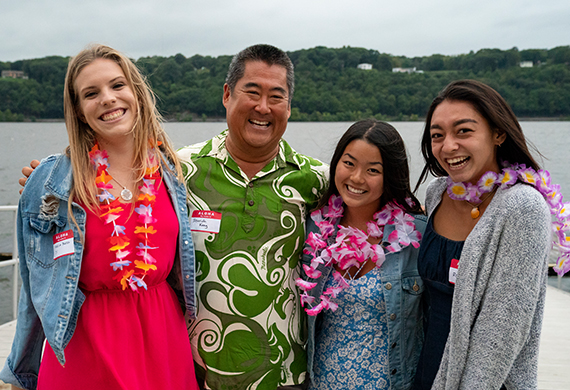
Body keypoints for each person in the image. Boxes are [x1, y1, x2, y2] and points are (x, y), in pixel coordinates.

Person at [1, 44, 199, 390]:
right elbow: (34, 288)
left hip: (164, 342)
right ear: (78, 110)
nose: (108, 98)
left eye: (117, 85)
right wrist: (22, 366)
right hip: (85, 349)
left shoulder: (171, 171)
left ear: (135, 93)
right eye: (91, 93)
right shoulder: (52, 183)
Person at [176, 44, 328, 389]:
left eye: (276, 96)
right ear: (228, 94)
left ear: (289, 107)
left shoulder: (317, 179)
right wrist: (50, 181)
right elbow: (119, 190)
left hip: (285, 372)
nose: (263, 107)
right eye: (252, 92)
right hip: (194, 372)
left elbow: (381, 203)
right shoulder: (180, 168)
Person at [412, 80, 558, 390]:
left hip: (488, 381)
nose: (448, 146)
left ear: (498, 133)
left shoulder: (521, 207)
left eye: (463, 131)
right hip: (428, 370)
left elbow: (503, 332)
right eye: (437, 135)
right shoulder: (438, 192)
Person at [299, 120, 426, 389]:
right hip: (322, 383)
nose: (356, 178)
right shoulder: (313, 228)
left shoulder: (415, 236)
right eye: (349, 163)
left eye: (372, 170)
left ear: (389, 175)